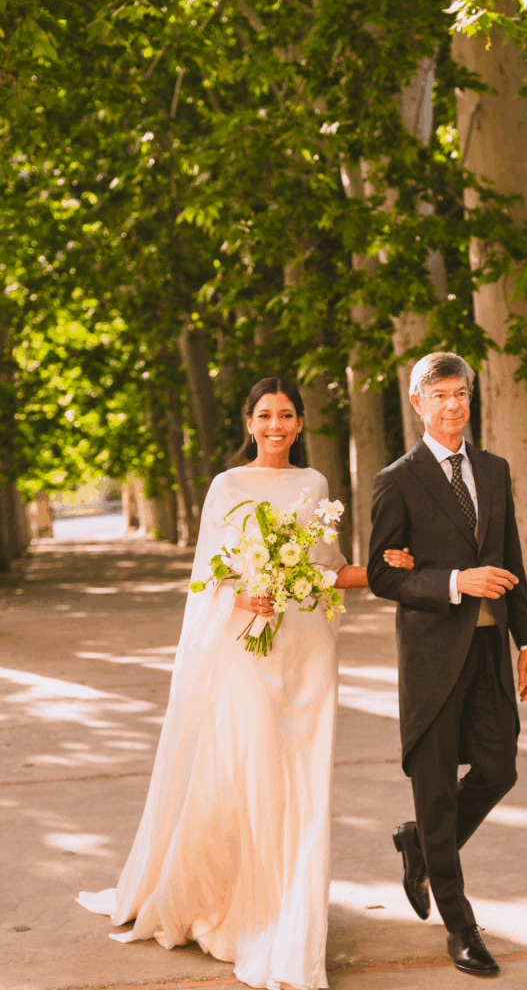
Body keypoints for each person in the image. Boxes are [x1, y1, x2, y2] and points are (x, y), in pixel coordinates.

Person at [77, 376, 413, 990]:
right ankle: (245, 912)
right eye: (265, 415)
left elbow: (329, 570)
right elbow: (208, 577)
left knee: (300, 783)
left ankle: (291, 917)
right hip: (246, 648)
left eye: (287, 415)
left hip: (307, 650)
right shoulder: (225, 487)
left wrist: (387, 571)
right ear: (249, 423)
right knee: (250, 772)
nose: (276, 425)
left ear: (301, 423)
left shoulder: (314, 485)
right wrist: (246, 589)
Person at [367, 352, 527, 978]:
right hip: (433, 659)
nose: (453, 406)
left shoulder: (493, 471)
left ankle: (420, 844)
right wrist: (453, 582)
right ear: (417, 402)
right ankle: (460, 926)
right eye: (439, 395)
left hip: (492, 653)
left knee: (499, 769)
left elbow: (512, 557)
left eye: (461, 394)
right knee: (437, 793)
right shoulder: (397, 479)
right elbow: (382, 574)